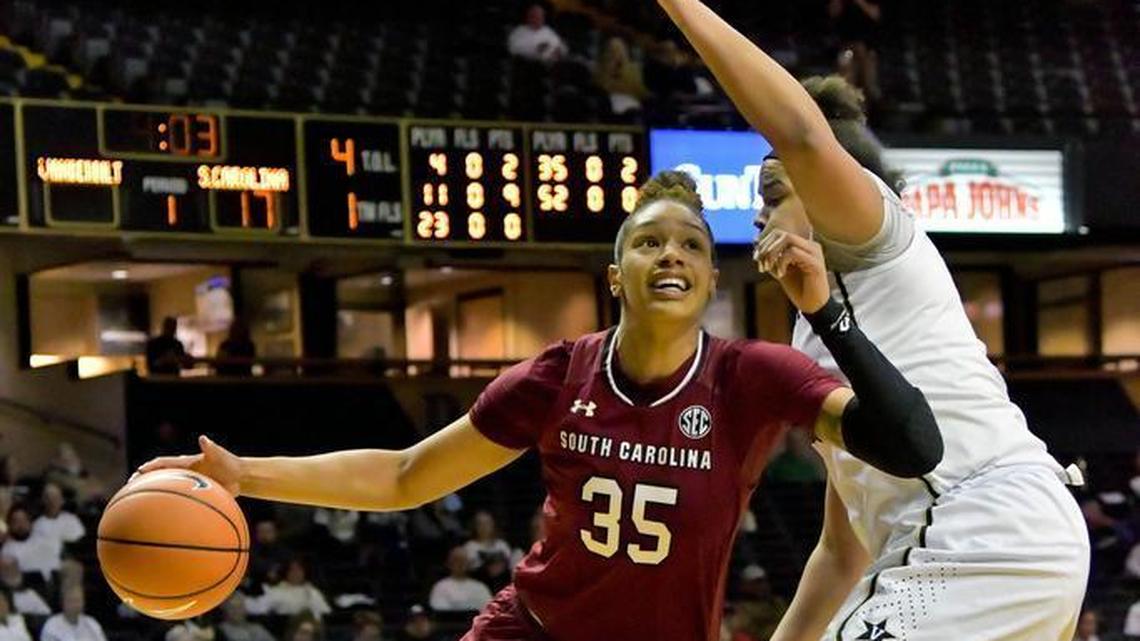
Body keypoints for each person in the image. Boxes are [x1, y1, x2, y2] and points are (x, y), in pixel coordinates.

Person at [134, 168, 944, 640]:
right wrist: (244, 473)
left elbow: (908, 440)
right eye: (650, 241)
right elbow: (407, 474)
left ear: (708, 278)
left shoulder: (751, 376)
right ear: (615, 274)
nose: (673, 253)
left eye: (693, 245)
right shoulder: (560, 376)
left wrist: (830, 314)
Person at [656, 2, 1090, 638]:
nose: (757, 216)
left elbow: (803, 137)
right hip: (1006, 537)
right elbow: (841, 551)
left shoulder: (876, 233)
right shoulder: (819, 328)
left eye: (773, 195)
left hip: (976, 528)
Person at [247, 559, 331, 621]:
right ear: (286, 573)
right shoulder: (276, 591)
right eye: (292, 570)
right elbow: (258, 607)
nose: (296, 573)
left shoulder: (312, 591)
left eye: (299, 570)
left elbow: (325, 612)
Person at [1, 507, 61, 583]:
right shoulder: (7, 550)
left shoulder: (42, 538)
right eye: (16, 521)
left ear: (31, 523)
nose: (21, 525)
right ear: (10, 525)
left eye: (24, 520)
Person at [594, 37, 651, 117]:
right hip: (610, 106)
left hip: (633, 105)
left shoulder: (633, 69)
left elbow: (640, 91)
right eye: (612, 51)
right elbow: (602, 87)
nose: (617, 54)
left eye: (620, 50)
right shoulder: (600, 69)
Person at [428, 547, 493, 613]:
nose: (460, 564)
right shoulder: (440, 586)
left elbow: (488, 610)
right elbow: (440, 610)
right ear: (448, 564)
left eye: (464, 561)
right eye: (456, 560)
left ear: (469, 564)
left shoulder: (480, 587)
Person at [39, 586, 107, 641]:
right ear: (63, 602)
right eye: (71, 600)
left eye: (78, 600)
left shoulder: (92, 623)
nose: (75, 604)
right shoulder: (51, 625)